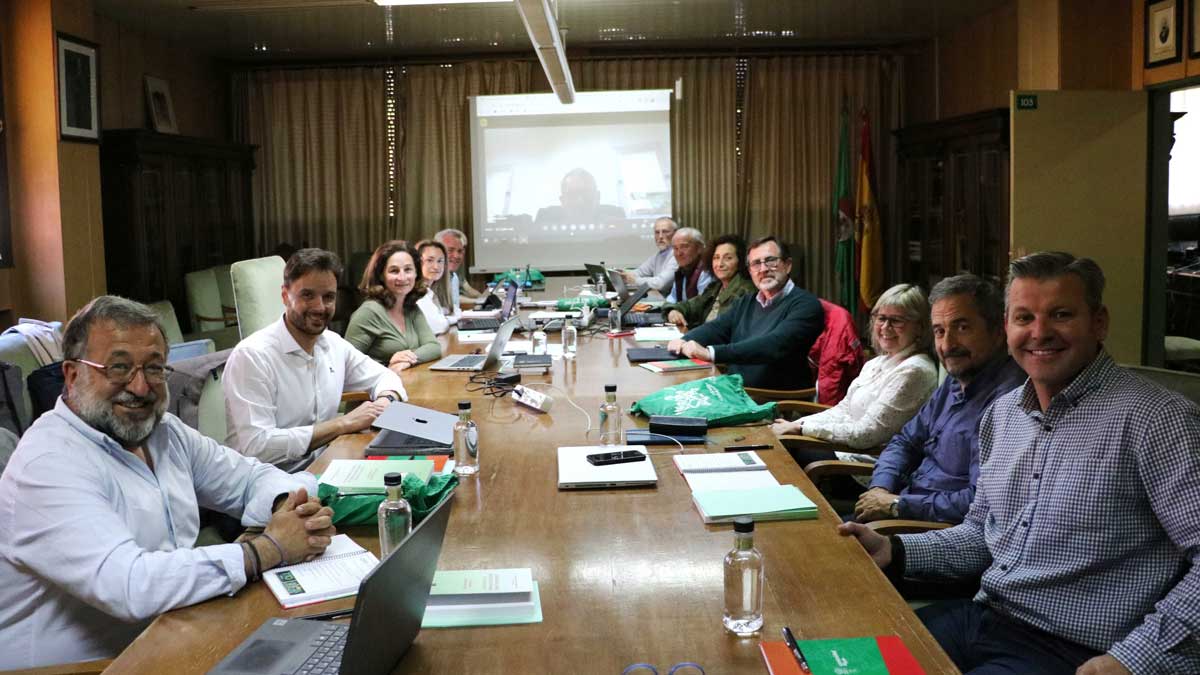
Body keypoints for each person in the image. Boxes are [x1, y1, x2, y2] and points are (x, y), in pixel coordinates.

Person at [840, 252, 1200, 675]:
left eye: (1061, 315)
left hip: (1071, 649)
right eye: (1024, 317)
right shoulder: (1004, 414)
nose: (1039, 333)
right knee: (846, 661)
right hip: (983, 616)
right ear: (1007, 327)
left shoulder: (1158, 420)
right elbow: (980, 535)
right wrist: (893, 548)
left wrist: (1135, 658)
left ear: (1098, 323)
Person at [0, 296, 334, 669]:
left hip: (175, 635)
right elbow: (130, 585)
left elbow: (250, 478)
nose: (141, 387)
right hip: (88, 667)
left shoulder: (165, 433)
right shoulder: (48, 464)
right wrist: (266, 550)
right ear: (73, 375)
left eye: (155, 368)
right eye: (119, 367)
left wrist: (285, 510)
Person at [845, 274, 1024, 524]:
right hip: (898, 506)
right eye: (940, 331)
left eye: (962, 328)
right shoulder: (954, 381)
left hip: (930, 530)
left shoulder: (1009, 399)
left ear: (998, 331)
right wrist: (880, 488)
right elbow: (905, 441)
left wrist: (898, 505)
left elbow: (979, 501)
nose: (948, 344)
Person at [224, 248, 406, 473]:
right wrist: (343, 423)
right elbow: (258, 446)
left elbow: (385, 376)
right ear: (284, 295)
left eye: (328, 297)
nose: (320, 307)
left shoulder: (332, 343)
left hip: (325, 468)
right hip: (267, 483)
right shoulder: (252, 356)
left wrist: (384, 401)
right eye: (307, 295)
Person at [771, 283, 937, 453]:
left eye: (896, 320)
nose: (885, 327)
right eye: (881, 318)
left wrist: (801, 429)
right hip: (842, 446)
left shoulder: (914, 371)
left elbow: (865, 435)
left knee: (780, 452)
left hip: (864, 464)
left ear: (920, 327)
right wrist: (797, 424)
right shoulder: (877, 362)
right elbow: (844, 410)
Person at [667, 237, 823, 390]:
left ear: (787, 265)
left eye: (770, 261)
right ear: (750, 271)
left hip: (770, 400)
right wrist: (684, 340)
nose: (763, 269)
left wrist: (710, 353)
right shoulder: (748, 301)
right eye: (756, 264)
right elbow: (717, 328)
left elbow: (774, 345)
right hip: (733, 388)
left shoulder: (806, 305)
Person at [345, 240, 441, 373]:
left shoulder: (411, 308)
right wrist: (388, 364)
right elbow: (347, 366)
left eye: (408, 270)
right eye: (394, 271)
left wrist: (409, 358)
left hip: (406, 383)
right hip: (376, 390)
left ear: (416, 273)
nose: (402, 277)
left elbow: (434, 347)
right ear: (381, 275)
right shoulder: (368, 313)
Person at [662, 233, 755, 331]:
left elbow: (725, 330)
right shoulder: (716, 287)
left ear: (740, 261)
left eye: (728, 258)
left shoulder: (746, 291)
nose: (720, 264)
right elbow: (690, 306)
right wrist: (673, 311)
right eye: (716, 258)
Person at [534, 168, 626, 227]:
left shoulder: (615, 223)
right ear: (562, 201)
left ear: (598, 197)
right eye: (572, 195)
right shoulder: (545, 224)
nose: (580, 201)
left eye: (586, 193)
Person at [621, 217, 679, 296]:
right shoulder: (659, 255)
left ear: (675, 234)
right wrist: (623, 275)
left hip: (671, 305)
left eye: (665, 232)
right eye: (657, 232)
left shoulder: (678, 255)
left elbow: (660, 284)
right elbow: (640, 272)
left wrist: (635, 280)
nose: (660, 236)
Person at [415, 239, 461, 336]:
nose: (436, 266)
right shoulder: (417, 292)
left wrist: (445, 318)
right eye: (430, 260)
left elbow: (455, 310)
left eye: (440, 261)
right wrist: (450, 319)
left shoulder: (431, 290)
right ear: (417, 262)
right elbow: (439, 326)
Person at [663, 227, 714, 303]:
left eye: (684, 247)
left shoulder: (707, 271)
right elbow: (673, 298)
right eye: (675, 248)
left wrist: (674, 310)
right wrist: (669, 309)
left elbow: (701, 305)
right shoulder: (683, 269)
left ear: (700, 248)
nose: (679, 253)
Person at [435, 228, 482, 305]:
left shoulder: (454, 277)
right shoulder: (431, 279)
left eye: (460, 251)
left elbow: (454, 308)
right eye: (450, 250)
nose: (456, 256)